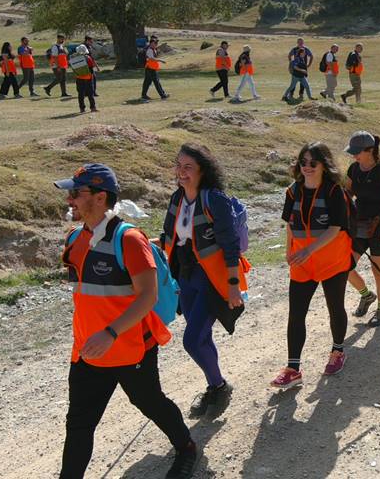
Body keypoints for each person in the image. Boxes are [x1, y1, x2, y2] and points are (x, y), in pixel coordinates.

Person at [53, 164, 198, 479]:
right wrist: (96, 337)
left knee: (150, 403)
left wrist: (110, 332)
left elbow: (147, 296)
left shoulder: (129, 239)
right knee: (79, 424)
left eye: (76, 193)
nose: (70, 199)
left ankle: (186, 446)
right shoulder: (74, 239)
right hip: (87, 351)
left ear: (100, 196)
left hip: (131, 347)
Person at [158, 144, 249, 418]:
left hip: (212, 278)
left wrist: (234, 285)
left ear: (202, 171)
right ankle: (215, 385)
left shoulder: (214, 200)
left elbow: (230, 245)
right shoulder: (177, 198)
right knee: (201, 335)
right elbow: (168, 236)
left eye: (188, 167)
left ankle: (219, 386)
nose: (181, 172)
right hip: (186, 276)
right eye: (178, 165)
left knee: (192, 340)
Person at [270, 143, 353, 390]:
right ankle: (293, 369)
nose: (306, 167)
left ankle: (338, 351)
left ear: (323, 165)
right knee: (296, 314)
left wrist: (307, 249)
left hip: (332, 260)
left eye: (312, 163)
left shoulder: (334, 191)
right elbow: (289, 224)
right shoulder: (293, 191)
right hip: (302, 263)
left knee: (335, 307)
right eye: (302, 162)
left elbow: (336, 228)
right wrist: (289, 250)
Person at [344, 131, 380, 327]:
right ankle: (367, 295)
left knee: (379, 271)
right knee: (344, 266)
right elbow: (348, 193)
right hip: (359, 225)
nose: (354, 156)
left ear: (370, 150)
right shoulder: (354, 169)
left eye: (357, 152)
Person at [72, 45, 99, 113]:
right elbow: (91, 68)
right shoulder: (88, 57)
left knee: (81, 94)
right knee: (90, 93)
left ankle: (82, 109)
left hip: (79, 78)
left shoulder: (74, 58)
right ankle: (93, 107)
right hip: (88, 78)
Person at [142, 35, 169, 100]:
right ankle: (163, 95)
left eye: (157, 43)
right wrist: (161, 60)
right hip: (150, 68)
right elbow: (152, 59)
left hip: (150, 68)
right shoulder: (149, 50)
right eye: (155, 43)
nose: (156, 44)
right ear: (151, 43)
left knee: (147, 82)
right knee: (156, 82)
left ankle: (144, 95)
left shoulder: (153, 49)